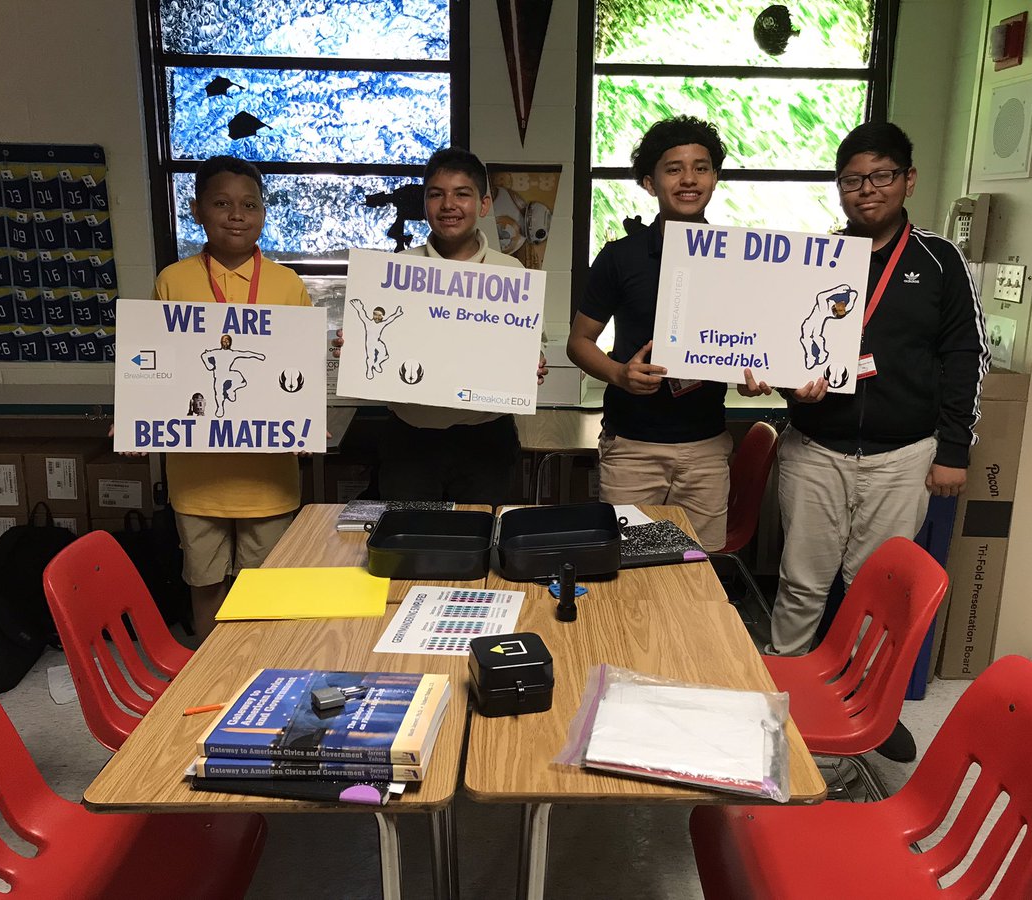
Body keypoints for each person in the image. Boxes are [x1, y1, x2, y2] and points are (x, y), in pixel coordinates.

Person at [740, 122, 990, 761]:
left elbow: (966, 353)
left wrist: (954, 450)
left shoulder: (938, 262)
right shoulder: (815, 259)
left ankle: (865, 707)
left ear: (909, 180)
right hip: (815, 448)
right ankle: (781, 699)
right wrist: (785, 387)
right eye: (852, 179)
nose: (866, 190)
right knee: (802, 581)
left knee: (876, 594)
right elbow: (785, 346)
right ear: (839, 188)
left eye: (881, 176)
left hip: (904, 455)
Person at [152, 155, 313, 640]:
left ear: (264, 212)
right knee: (205, 585)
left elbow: (298, 373)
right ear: (197, 209)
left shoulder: (287, 285)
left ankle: (261, 672)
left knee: (263, 590)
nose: (237, 215)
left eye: (249, 204)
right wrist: (138, 415)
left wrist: (307, 419)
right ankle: (209, 668)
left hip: (268, 475)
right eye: (221, 204)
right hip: (197, 475)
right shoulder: (173, 281)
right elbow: (158, 365)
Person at [336, 146, 547, 506]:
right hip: (410, 440)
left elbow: (529, 345)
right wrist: (353, 346)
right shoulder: (396, 270)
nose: (448, 204)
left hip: (486, 439)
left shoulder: (511, 273)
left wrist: (534, 362)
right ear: (425, 203)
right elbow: (376, 335)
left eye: (462, 194)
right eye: (436, 195)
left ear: (482, 205)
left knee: (477, 542)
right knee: (411, 544)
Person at [566, 116, 733, 550]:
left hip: (707, 449)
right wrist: (619, 374)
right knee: (630, 573)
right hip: (633, 447)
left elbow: (751, 345)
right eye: (673, 168)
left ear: (715, 178)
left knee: (699, 571)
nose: (689, 179)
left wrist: (755, 375)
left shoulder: (738, 259)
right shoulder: (620, 257)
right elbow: (578, 342)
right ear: (650, 182)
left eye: (701, 167)